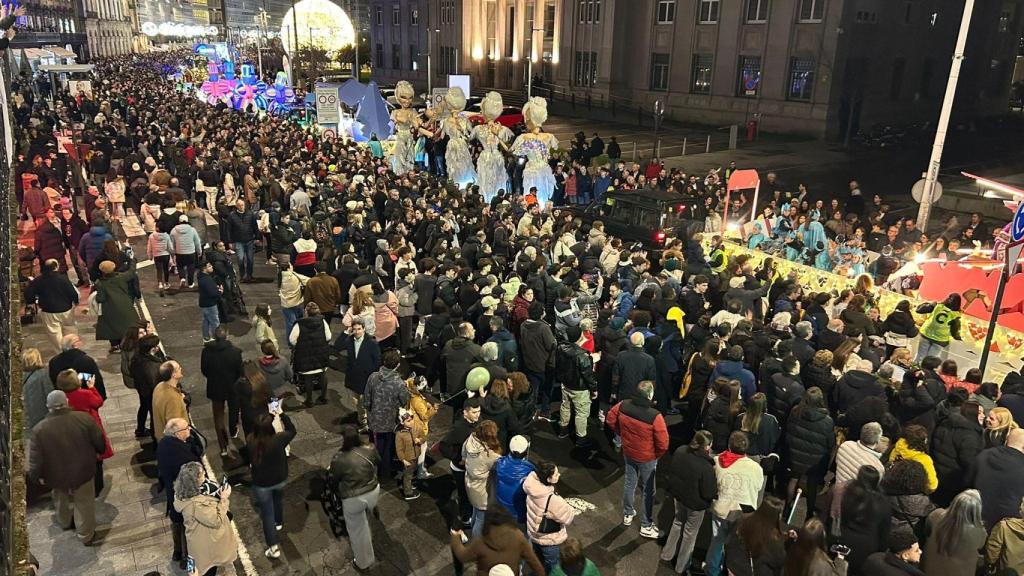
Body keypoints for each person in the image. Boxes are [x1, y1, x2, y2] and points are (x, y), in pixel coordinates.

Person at [28, 390, 105, 545]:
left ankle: (64, 521)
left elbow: (35, 458)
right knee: (84, 503)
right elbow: (99, 440)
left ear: (48, 406)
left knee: (60, 498)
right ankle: (85, 534)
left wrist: (35, 477)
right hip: (82, 470)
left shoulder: (39, 429)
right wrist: (99, 451)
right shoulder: (84, 419)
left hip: (55, 474)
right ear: (67, 402)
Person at [606, 380, 668, 539]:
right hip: (647, 457)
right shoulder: (654, 416)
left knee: (629, 482)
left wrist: (622, 435)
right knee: (648, 490)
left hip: (629, 452)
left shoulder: (623, 405)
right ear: (649, 395)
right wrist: (656, 454)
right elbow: (663, 442)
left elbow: (610, 419)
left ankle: (627, 513)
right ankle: (646, 525)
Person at [705, 431, 765, 576]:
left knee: (717, 541)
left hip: (721, 508)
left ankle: (712, 570)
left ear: (729, 446)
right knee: (738, 548)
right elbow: (758, 487)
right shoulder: (756, 467)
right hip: (743, 513)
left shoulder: (718, 461)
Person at [661, 430, 718, 575]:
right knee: (690, 534)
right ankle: (681, 566)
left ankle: (667, 554)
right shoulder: (706, 466)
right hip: (695, 505)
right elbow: (708, 492)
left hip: (679, 496)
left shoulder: (680, 451)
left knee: (677, 521)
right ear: (707, 446)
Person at [328, 425, 381, 571]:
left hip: (354, 498)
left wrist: (336, 493)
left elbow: (334, 479)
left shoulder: (339, 458)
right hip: (373, 490)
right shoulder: (370, 448)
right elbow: (378, 461)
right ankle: (371, 508)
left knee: (358, 530)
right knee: (366, 515)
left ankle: (363, 563)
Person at [245, 411, 296, 559]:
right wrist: (282, 415)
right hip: (279, 478)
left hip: (261, 483)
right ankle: (279, 521)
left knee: (267, 514)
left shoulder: (250, 440)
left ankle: (273, 547)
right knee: (278, 500)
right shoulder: (279, 439)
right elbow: (292, 430)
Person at [173, 461, 239, 575]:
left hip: (194, 544)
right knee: (207, 570)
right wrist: (223, 498)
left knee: (194, 567)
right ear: (195, 481)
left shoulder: (181, 494)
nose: (205, 474)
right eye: (202, 473)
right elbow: (216, 520)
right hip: (205, 546)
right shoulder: (198, 505)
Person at [54, 369, 113, 495]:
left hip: (72, 432)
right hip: (89, 430)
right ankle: (97, 488)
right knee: (96, 461)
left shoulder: (61, 398)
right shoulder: (85, 394)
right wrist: (92, 388)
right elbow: (98, 402)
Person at [156, 418, 203, 569]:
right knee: (188, 535)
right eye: (187, 429)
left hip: (172, 496)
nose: (189, 431)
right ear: (177, 433)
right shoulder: (183, 455)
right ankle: (188, 564)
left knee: (176, 525)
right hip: (185, 500)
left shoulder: (163, 443)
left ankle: (177, 552)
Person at [785, 387, 835, 519]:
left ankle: (786, 508)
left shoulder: (795, 411)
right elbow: (830, 443)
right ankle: (809, 514)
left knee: (793, 480)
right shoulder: (827, 421)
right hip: (815, 460)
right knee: (812, 486)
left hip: (796, 454)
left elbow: (789, 431)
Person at [363, 349, 411, 483]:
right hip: (390, 423)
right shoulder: (399, 383)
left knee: (375, 447)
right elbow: (405, 401)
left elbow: (366, 399)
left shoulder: (373, 377)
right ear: (397, 365)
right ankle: (384, 475)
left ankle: (372, 471)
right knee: (387, 450)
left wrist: (369, 413)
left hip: (374, 422)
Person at [450, 511, 546, 576]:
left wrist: (455, 537)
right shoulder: (517, 536)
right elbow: (533, 562)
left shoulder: (480, 543)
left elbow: (462, 556)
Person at [523, 460, 577, 574]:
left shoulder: (531, 486)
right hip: (549, 541)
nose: (559, 475)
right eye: (556, 474)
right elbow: (568, 517)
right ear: (548, 479)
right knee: (554, 568)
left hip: (534, 535)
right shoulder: (553, 500)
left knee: (538, 563)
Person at [836, 466, 890, 572]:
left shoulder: (847, 493)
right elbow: (885, 531)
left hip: (844, 539)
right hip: (868, 546)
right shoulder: (883, 502)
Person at [922, 489, 986, 576]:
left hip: (928, 569)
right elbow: (981, 545)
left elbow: (927, 530)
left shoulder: (935, 515)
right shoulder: (979, 532)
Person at [201, 326, 244, 457]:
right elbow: (239, 372)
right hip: (232, 387)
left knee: (218, 418)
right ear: (227, 336)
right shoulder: (236, 352)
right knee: (234, 410)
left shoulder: (207, 352)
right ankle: (233, 430)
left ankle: (223, 446)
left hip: (215, 387)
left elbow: (204, 370)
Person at [969, 428, 1024, 530]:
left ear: (1007, 439)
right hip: (1006, 526)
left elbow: (966, 483)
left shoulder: (983, 455)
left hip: (975, 517)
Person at [441, 397, 482, 528]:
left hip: (472, 466)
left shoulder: (477, 422)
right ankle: (465, 517)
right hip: (460, 469)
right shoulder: (458, 428)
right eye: (474, 412)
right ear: (465, 412)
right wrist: (458, 459)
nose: (478, 415)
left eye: (479, 411)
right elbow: (443, 446)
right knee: (464, 494)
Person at [555, 326, 597, 447]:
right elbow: (588, 376)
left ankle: (563, 430)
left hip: (565, 384)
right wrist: (594, 389)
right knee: (581, 413)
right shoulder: (582, 355)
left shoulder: (560, 348)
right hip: (580, 389)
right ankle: (581, 439)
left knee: (565, 406)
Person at [24, 259, 78, 351]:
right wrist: (75, 301)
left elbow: (29, 294)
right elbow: (72, 292)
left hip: (49, 311)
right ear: (56, 267)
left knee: (54, 334)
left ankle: (62, 353)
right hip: (66, 309)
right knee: (69, 330)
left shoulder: (38, 280)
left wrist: (33, 301)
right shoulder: (63, 278)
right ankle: (72, 350)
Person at [463, 419, 502, 535]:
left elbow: (463, 454)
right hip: (481, 490)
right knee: (481, 518)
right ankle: (476, 543)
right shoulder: (489, 456)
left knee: (476, 511)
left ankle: (472, 527)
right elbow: (501, 466)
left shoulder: (471, 439)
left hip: (470, 483)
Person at [290, 301, 333, 406]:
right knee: (322, 375)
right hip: (320, 354)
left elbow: (292, 340)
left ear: (306, 312)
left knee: (308, 377)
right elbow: (328, 337)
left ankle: (309, 400)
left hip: (305, 355)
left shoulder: (299, 323)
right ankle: (323, 397)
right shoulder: (322, 321)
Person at [93, 259, 141, 353]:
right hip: (125, 304)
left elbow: (101, 298)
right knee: (127, 324)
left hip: (110, 308)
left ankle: (116, 346)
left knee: (111, 327)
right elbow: (131, 272)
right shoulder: (121, 277)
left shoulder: (100, 283)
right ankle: (128, 343)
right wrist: (132, 261)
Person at [344, 319, 382, 430]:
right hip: (353, 376)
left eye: (359, 329)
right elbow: (337, 346)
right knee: (357, 400)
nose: (357, 331)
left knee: (366, 400)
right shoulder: (349, 340)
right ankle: (362, 419)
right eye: (354, 329)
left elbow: (377, 360)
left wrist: (373, 375)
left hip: (366, 377)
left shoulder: (371, 342)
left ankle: (367, 420)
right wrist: (346, 333)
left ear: (364, 329)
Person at [494, 434, 538, 524]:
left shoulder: (499, 463)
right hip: (518, 511)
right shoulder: (530, 470)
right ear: (525, 451)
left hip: (500, 505)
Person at [49, 334, 106, 399]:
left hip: (64, 398)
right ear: (75, 345)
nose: (81, 342)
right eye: (79, 341)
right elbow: (96, 380)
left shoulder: (53, 362)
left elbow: (53, 381)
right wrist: (101, 396)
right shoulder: (86, 361)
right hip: (86, 398)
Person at [915, 293, 962, 363]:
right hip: (940, 339)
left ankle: (914, 370)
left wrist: (930, 303)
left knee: (920, 356)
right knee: (930, 360)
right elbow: (954, 329)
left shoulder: (937, 306)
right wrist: (957, 337)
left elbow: (919, 310)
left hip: (926, 334)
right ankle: (926, 372)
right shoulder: (955, 315)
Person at [985, 497, 1024, 573]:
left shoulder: (1004, 526)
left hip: (1005, 573)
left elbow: (991, 555)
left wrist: (989, 565)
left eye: (1022, 503)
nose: (1020, 506)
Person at [152, 361, 189, 441]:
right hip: (175, 443)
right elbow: (175, 428)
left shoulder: (159, 386)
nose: (181, 368)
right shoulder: (173, 398)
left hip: (161, 437)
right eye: (179, 368)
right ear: (173, 375)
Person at [22, 348, 51, 435]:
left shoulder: (20, 375)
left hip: (28, 416)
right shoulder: (43, 374)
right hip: (42, 413)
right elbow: (49, 392)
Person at [171, 214, 203, 289]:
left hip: (179, 252)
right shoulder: (192, 230)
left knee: (180, 266)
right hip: (191, 252)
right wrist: (199, 251)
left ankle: (182, 278)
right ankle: (190, 283)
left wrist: (173, 253)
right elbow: (197, 242)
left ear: (179, 221)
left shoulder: (174, 230)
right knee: (191, 267)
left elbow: (172, 243)